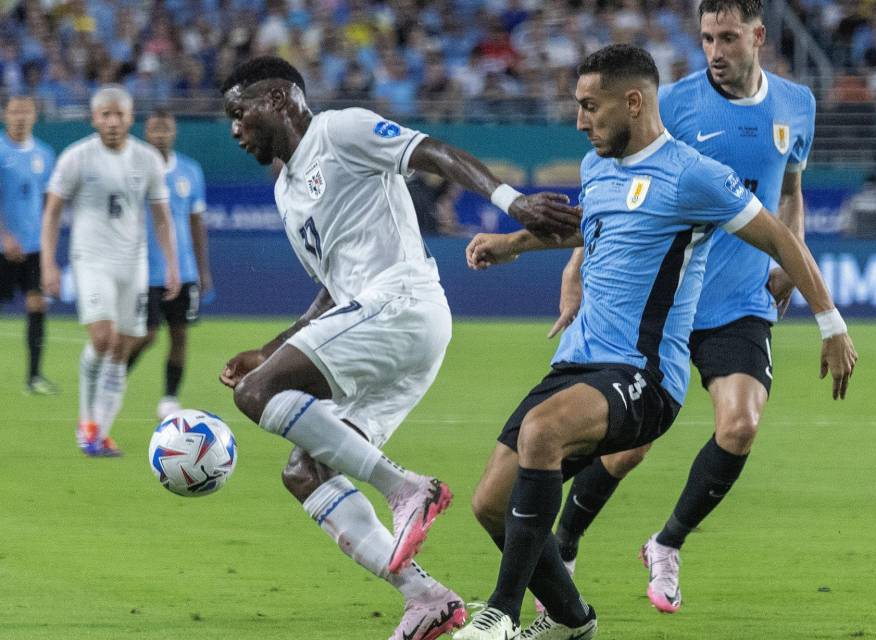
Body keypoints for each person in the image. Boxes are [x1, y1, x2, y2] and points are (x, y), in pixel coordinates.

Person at [455, 44, 856, 640]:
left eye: (590, 106)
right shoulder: (598, 167)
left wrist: (831, 323)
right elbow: (591, 226)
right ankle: (572, 622)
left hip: (643, 376)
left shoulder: (693, 175)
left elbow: (780, 239)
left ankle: (501, 615)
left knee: (542, 431)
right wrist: (512, 244)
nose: (580, 120)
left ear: (634, 103)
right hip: (578, 363)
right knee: (490, 503)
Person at [215, 56, 579, 640]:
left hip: (403, 303)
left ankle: (404, 488)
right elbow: (334, 292)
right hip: (379, 323)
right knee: (304, 470)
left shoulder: (338, 130)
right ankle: (426, 598)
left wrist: (512, 203)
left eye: (240, 113)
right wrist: (272, 346)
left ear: (279, 99)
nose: (234, 129)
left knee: (260, 396)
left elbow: (431, 151)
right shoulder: (286, 191)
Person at [532, 0, 822, 616]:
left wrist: (786, 260)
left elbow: (790, 192)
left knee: (740, 424)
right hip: (659, 306)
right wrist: (576, 267)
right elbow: (620, 188)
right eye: (706, 38)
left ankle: (666, 543)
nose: (715, 51)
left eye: (727, 37)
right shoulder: (680, 103)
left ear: (758, 36)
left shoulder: (797, 105)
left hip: (738, 300)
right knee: (627, 447)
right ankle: (565, 539)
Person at [40, 85, 180, 457]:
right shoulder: (77, 157)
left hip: (132, 265)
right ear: (94, 118)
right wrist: (48, 262)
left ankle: (100, 432)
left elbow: (162, 217)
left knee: (122, 347)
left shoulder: (147, 159)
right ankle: (87, 423)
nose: (113, 121)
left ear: (130, 118)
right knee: (102, 338)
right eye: (106, 115)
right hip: (91, 259)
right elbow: (52, 211)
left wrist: (172, 264)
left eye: (119, 114)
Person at [127, 109, 213, 419]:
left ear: (174, 132)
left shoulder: (190, 171)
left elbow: (196, 222)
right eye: (154, 129)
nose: (160, 134)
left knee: (180, 335)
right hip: (144, 270)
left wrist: (203, 270)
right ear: (146, 133)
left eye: (165, 129)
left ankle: (169, 397)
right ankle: (116, 378)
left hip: (184, 269)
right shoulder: (134, 170)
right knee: (146, 335)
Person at [0, 96, 57, 394]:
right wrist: (5, 236)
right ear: (5, 115)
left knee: (37, 305)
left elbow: (50, 203)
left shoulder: (45, 154)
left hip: (35, 247)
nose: (20, 117)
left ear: (35, 116)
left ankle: (34, 377)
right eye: (14, 112)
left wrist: (48, 244)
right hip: (2, 248)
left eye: (26, 112)